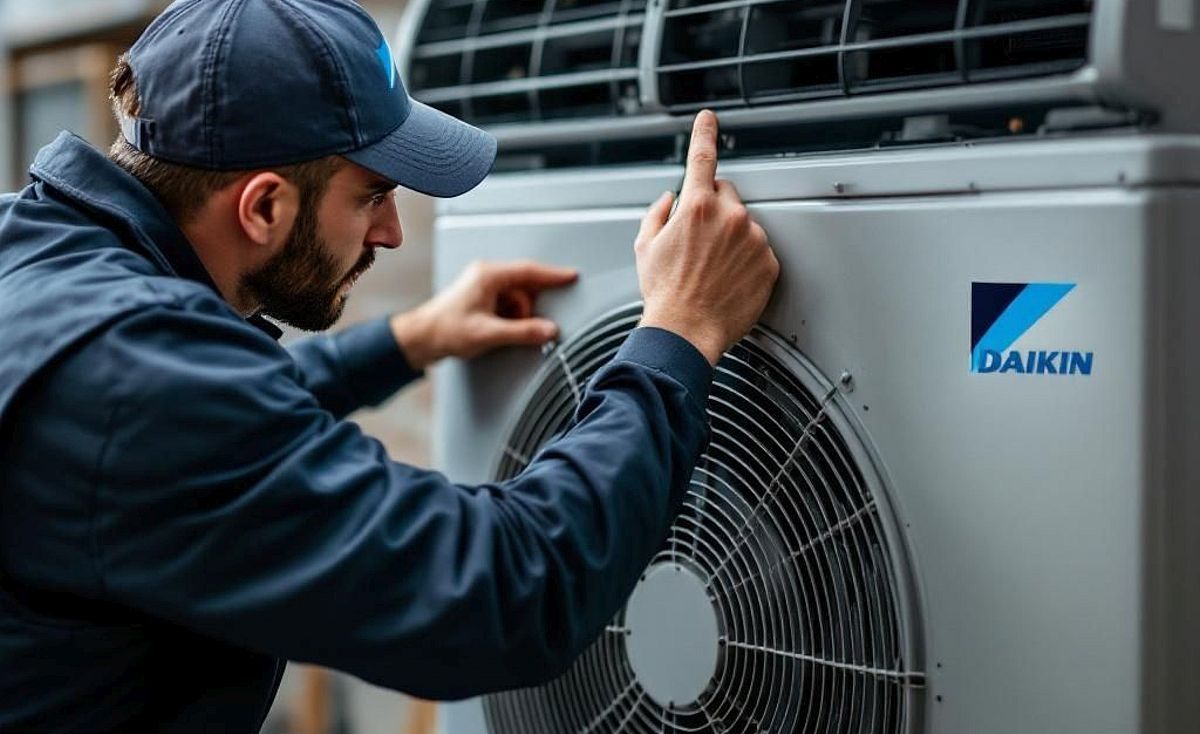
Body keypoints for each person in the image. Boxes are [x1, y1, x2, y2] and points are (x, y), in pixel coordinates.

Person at [0, 0, 778, 731]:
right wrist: (678, 332)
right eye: (372, 195)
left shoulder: (40, 264)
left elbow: (170, 454)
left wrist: (409, 340)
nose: (395, 233)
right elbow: (500, 593)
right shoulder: (136, 382)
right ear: (263, 207)